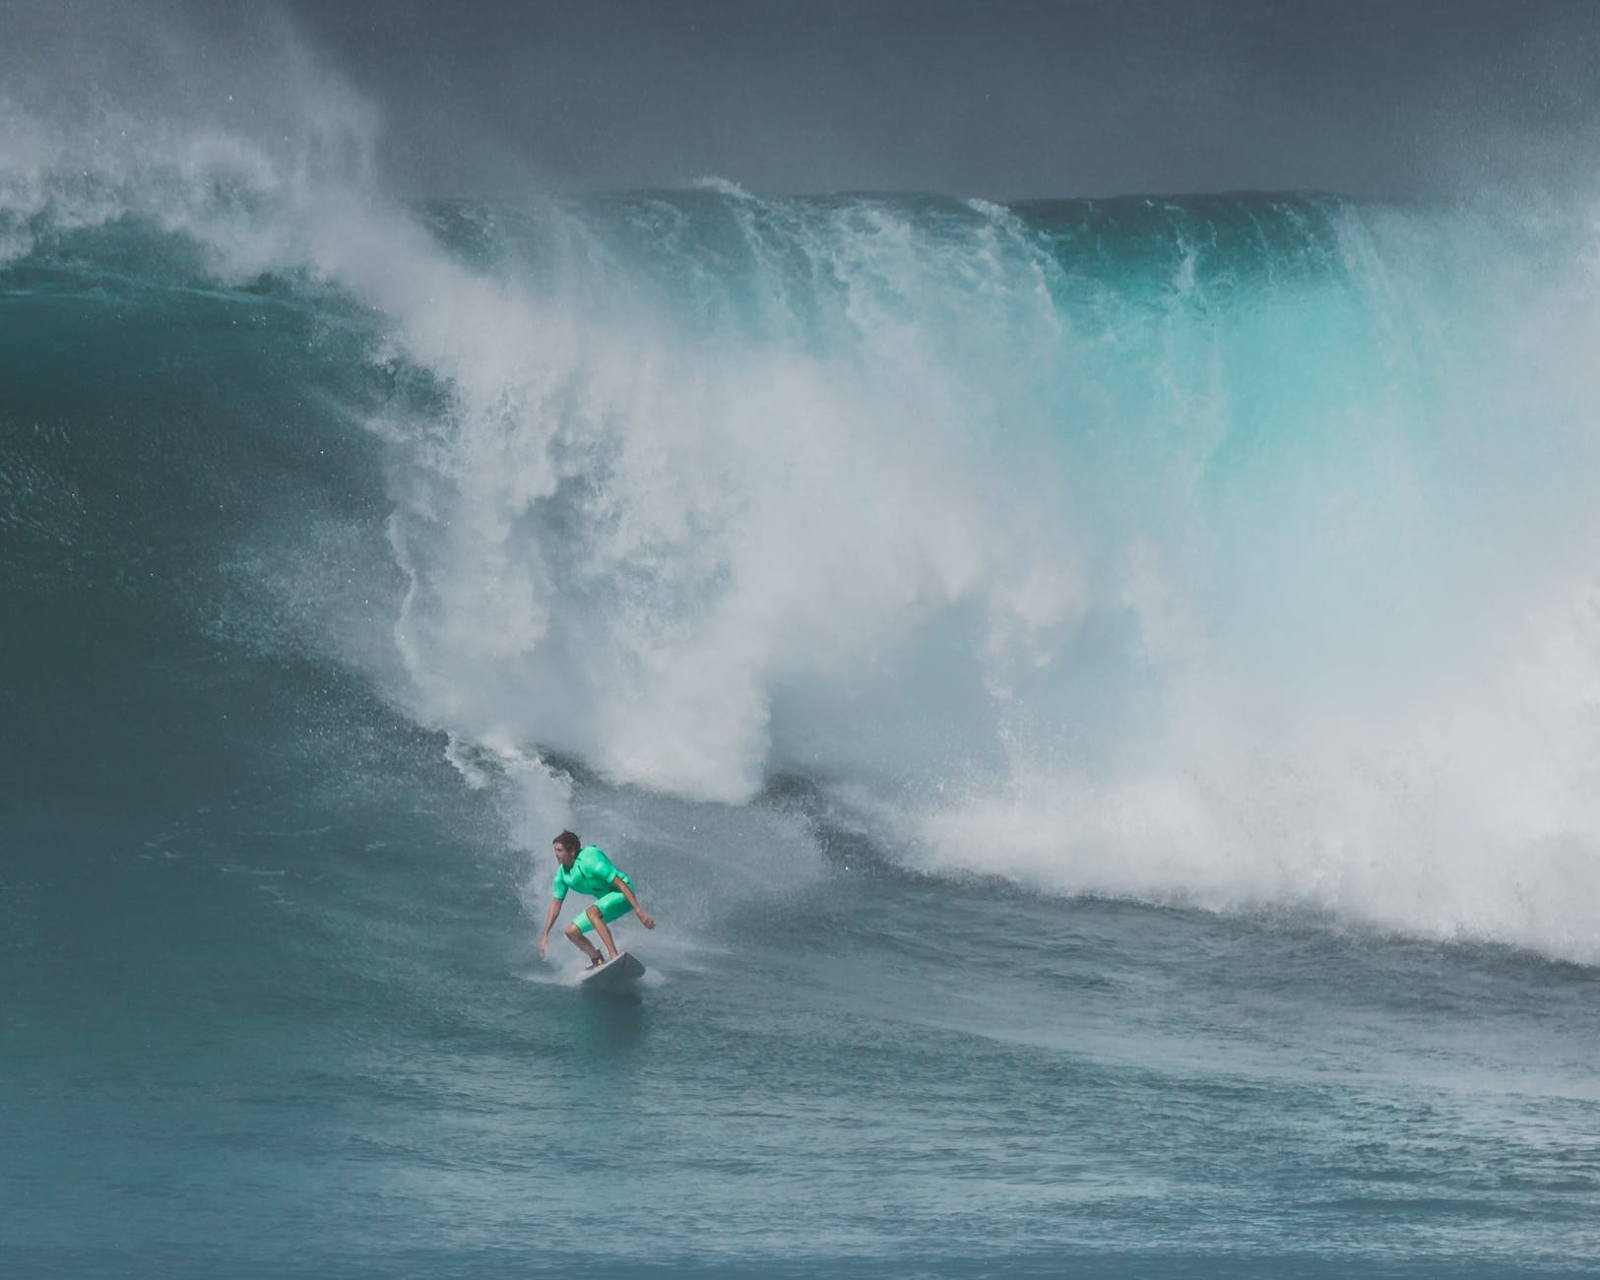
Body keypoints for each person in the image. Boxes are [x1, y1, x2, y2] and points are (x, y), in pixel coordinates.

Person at [538, 830, 655, 968]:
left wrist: (639, 911)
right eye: (555, 850)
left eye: (559, 850)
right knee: (571, 931)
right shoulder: (562, 876)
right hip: (608, 900)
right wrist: (546, 934)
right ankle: (597, 959)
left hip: (624, 893)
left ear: (572, 851)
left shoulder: (590, 861)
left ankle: (613, 956)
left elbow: (620, 883)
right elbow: (556, 902)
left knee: (592, 913)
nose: (555, 854)